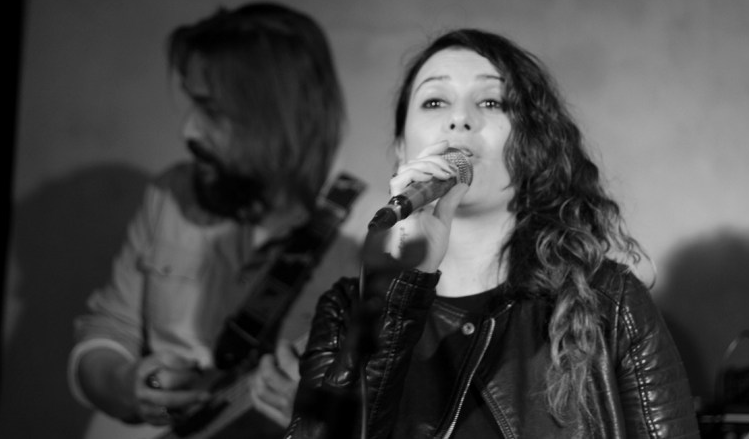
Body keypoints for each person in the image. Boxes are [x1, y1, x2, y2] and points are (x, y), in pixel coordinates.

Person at [285, 29, 701, 438]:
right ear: (400, 147)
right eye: (434, 102)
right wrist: (405, 285)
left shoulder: (609, 301)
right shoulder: (347, 310)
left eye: (490, 102)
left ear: (531, 144)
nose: (460, 119)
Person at [68, 1, 360, 438]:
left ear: (276, 117)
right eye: (192, 104)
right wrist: (125, 385)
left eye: (211, 110)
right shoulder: (172, 194)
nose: (187, 131)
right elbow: (109, 324)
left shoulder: (362, 253)